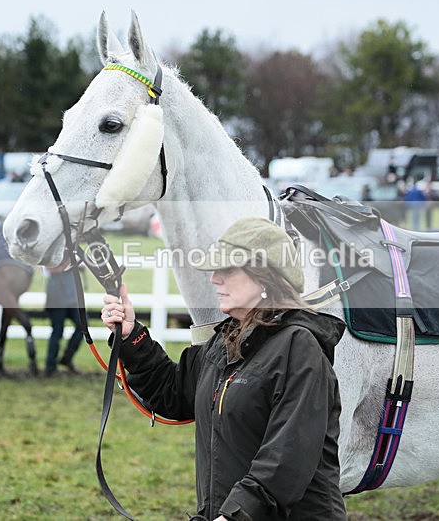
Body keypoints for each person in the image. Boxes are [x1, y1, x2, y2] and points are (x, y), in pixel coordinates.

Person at [101, 217, 347, 520]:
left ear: (264, 277)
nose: (214, 279)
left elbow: (286, 457)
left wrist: (234, 515)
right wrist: (131, 336)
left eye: (227, 269)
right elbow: (173, 393)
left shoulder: (300, 348)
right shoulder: (225, 341)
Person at [43, 265, 84, 376]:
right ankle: (50, 367)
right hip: (57, 297)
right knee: (57, 331)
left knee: (82, 326)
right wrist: (69, 264)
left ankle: (67, 358)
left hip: (72, 296)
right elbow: (47, 268)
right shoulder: (52, 251)